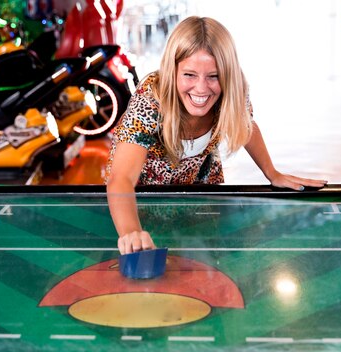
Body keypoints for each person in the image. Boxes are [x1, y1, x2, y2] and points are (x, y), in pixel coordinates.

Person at [106, 16, 327, 255]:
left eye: (213, 76)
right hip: (141, 200)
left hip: (199, 191)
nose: (201, 88)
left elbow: (245, 125)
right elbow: (121, 178)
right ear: (173, 71)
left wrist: (272, 173)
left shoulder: (234, 89)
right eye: (189, 75)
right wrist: (131, 232)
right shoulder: (151, 98)